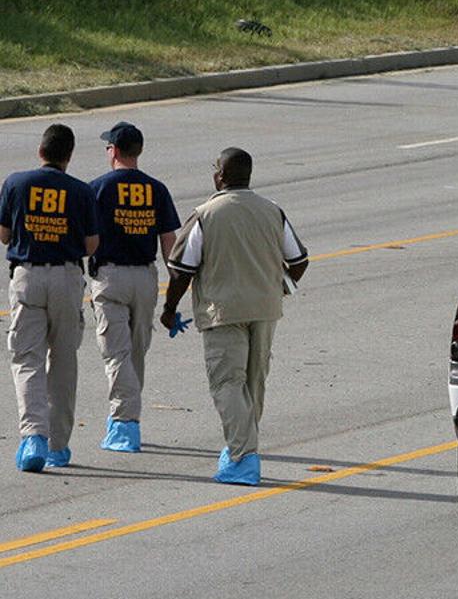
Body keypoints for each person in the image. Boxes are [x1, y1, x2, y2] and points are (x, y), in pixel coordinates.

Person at [162, 147, 307, 485]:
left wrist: (169, 309)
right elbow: (299, 261)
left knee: (228, 382)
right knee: (254, 382)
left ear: (220, 176)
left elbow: (181, 269)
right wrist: (279, 288)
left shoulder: (206, 214)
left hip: (223, 311)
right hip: (266, 309)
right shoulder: (272, 211)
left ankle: (243, 456)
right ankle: (240, 448)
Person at [0, 123, 99, 472]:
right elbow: (90, 245)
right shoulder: (82, 191)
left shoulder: (15, 183)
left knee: (27, 357)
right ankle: (58, 446)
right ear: (68, 156)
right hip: (67, 276)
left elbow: (4, 234)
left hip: (28, 274)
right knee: (63, 358)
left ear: (40, 150)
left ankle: (33, 437)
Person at [89, 121, 181, 453]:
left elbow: (88, 240)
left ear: (113, 150)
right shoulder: (156, 189)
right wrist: (176, 290)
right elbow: (170, 244)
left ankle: (125, 423)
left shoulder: (97, 188)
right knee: (136, 351)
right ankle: (127, 414)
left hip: (111, 277)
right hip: (145, 278)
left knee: (116, 352)